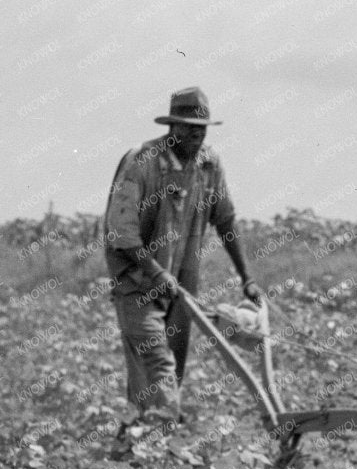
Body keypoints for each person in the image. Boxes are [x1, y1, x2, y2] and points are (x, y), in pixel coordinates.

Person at [103, 87, 262, 441]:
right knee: (157, 364)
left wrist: (247, 278)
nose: (197, 135)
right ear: (172, 126)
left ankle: (133, 443)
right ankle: (164, 445)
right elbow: (121, 233)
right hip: (138, 283)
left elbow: (225, 220)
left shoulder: (208, 164)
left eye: (202, 128)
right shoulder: (141, 162)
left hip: (180, 287)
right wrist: (156, 272)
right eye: (189, 127)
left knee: (170, 371)